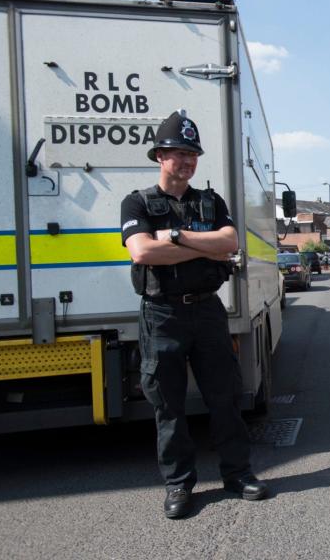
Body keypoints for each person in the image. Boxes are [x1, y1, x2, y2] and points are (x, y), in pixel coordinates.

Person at [121, 110, 269, 520]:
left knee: (225, 399)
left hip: (207, 311)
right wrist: (204, 246)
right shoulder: (137, 202)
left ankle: (238, 474)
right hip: (162, 314)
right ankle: (179, 485)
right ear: (159, 156)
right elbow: (142, 251)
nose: (186, 160)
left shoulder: (210, 201)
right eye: (177, 152)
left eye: (192, 153)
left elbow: (230, 242)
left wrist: (175, 236)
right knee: (168, 406)